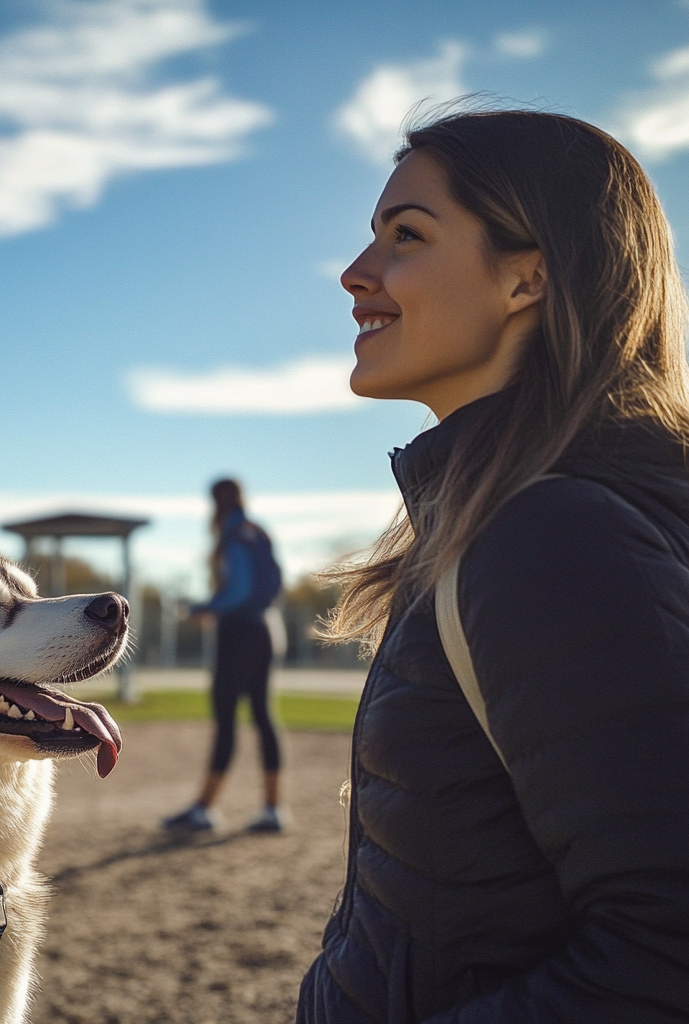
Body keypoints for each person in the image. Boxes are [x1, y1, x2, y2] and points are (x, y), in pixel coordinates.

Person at [297, 109, 689, 1022]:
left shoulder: (554, 538)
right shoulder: (506, 520)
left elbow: (665, 951)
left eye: (407, 236)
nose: (358, 275)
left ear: (527, 278)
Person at [162, 478, 285, 833]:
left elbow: (239, 590)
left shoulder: (234, 533)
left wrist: (204, 607)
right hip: (265, 631)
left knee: (227, 718)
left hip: (240, 634)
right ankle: (273, 808)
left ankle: (204, 809)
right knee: (263, 716)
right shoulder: (255, 530)